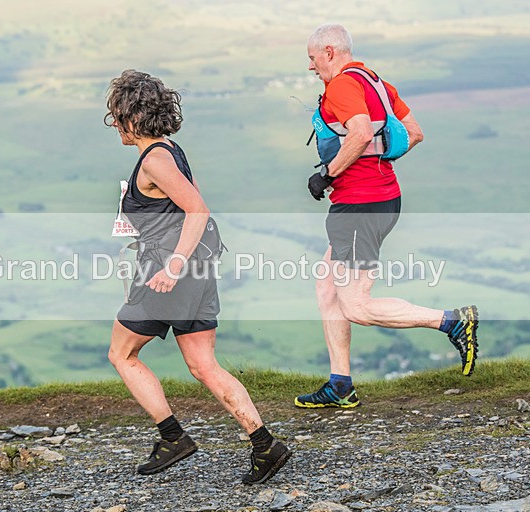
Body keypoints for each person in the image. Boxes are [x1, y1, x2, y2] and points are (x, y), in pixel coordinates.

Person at [104, 70, 291, 483]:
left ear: (132, 118)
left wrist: (172, 266)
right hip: (198, 270)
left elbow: (198, 210)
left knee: (122, 353)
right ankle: (265, 445)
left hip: (167, 275)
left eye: (118, 115)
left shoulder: (154, 160)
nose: (114, 123)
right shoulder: (171, 150)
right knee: (204, 365)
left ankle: (173, 437)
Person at [295, 24, 480, 409]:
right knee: (327, 286)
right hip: (379, 197)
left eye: (313, 58)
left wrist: (328, 174)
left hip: (360, 207)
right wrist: (376, 163)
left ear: (329, 52)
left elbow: (361, 133)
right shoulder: (376, 83)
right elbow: (414, 132)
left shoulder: (342, 86)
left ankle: (452, 321)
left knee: (356, 305)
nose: (311, 67)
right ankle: (340, 385)